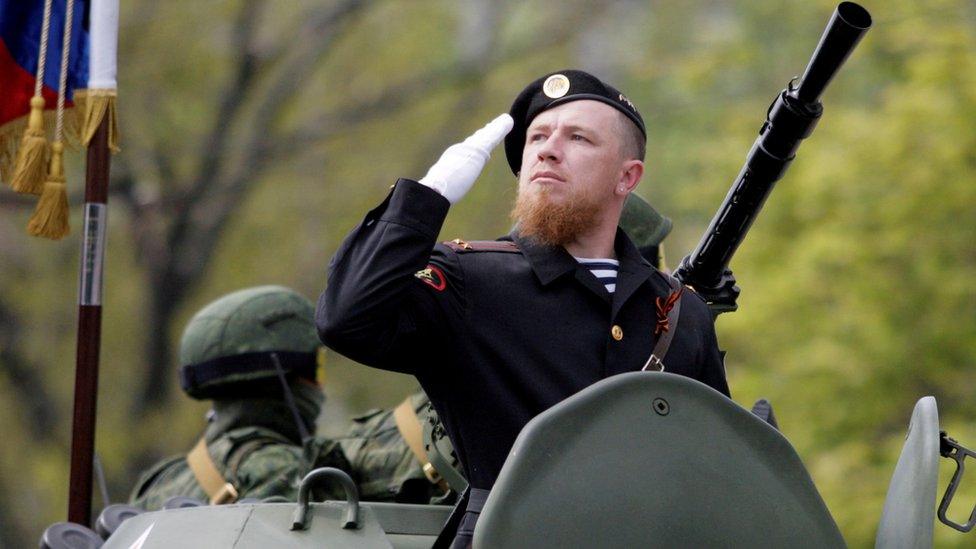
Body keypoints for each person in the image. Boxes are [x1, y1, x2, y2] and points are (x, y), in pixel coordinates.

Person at [317, 69, 730, 545]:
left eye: (578, 138)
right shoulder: (467, 279)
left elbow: (716, 472)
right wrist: (423, 200)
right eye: (537, 137)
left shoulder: (679, 310)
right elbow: (346, 318)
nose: (548, 149)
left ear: (627, 177)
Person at [129, 286, 348, 510]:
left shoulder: (163, 480)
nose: (320, 387)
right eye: (318, 368)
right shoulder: (290, 471)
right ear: (288, 377)